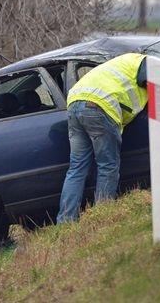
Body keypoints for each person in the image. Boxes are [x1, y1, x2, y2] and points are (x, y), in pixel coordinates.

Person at [57, 52, 148, 223]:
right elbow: (156, 85)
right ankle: (103, 218)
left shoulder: (121, 62)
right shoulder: (145, 62)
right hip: (99, 106)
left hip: (75, 102)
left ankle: (66, 220)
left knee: (77, 168)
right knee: (108, 165)